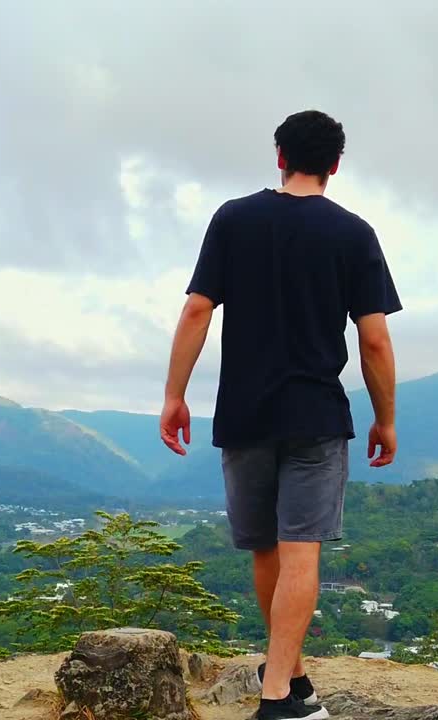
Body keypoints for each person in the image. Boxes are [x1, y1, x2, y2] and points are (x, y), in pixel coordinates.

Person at [159, 110, 400, 720]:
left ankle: (288, 677)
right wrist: (385, 418)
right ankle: (278, 699)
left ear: (278, 155)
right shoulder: (353, 233)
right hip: (315, 414)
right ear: (335, 165)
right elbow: (374, 340)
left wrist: (175, 395)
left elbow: (195, 312)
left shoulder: (233, 218)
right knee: (301, 552)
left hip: (243, 412)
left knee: (266, 549)